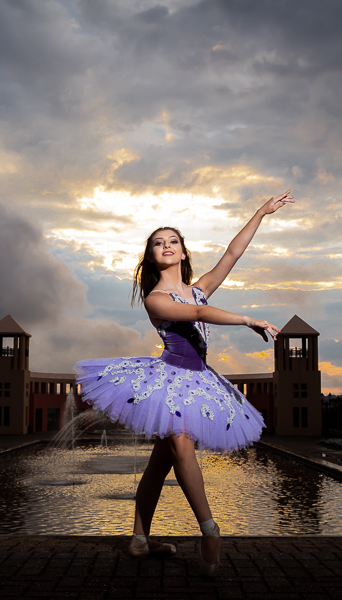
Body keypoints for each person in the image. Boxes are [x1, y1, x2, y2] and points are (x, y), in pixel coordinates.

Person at [75, 190, 294, 575]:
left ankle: (139, 540)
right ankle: (210, 530)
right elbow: (195, 311)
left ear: (183, 250)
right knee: (179, 445)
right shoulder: (156, 298)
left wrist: (261, 212)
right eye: (158, 243)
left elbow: (231, 254)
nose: (167, 246)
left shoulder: (199, 286)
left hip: (200, 380)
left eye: (173, 241)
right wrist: (247, 319)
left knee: (160, 465)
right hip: (170, 380)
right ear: (151, 256)